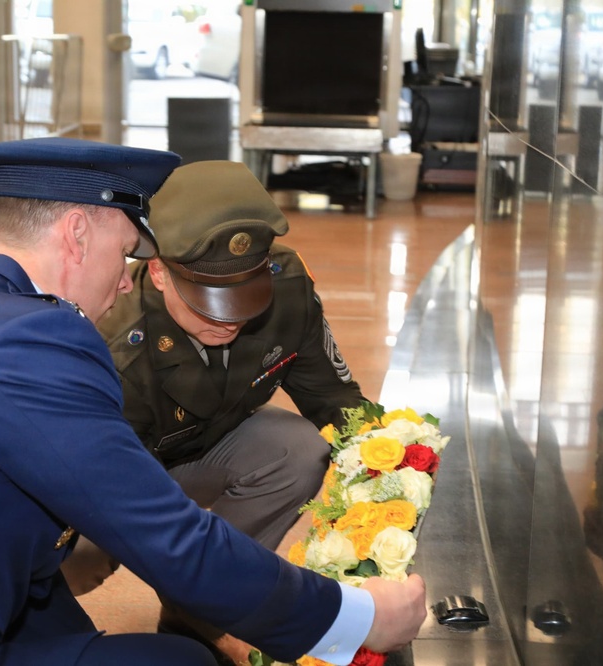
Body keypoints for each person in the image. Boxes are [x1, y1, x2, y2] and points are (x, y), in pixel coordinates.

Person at [0, 137, 427, 665]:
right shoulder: (37, 343)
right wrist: (352, 617)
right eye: (125, 255)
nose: (127, 282)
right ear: (77, 231)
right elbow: (167, 537)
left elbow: (12, 543)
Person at [94, 160, 368, 663]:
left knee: (300, 448)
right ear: (158, 271)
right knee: (80, 557)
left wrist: (386, 469)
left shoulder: (288, 290)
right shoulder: (116, 344)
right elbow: (123, 500)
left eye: (246, 294)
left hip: (210, 444)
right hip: (125, 470)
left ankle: (203, 608)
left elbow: (336, 401)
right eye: (206, 300)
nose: (231, 319)